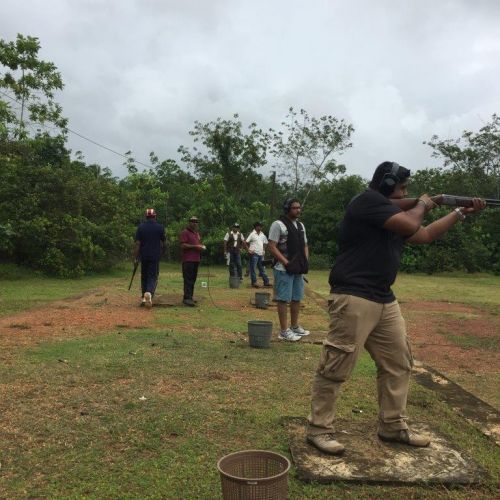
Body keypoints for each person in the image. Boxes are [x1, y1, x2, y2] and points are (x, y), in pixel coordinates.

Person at [307, 161, 486, 455]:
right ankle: (319, 429)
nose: (406, 194)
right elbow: (412, 223)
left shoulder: (393, 215)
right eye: (402, 188)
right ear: (387, 185)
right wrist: (425, 203)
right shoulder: (366, 202)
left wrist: (458, 212)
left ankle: (392, 425)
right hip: (354, 295)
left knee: (399, 362)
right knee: (336, 364)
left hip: (385, 299)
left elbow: (424, 235)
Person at [268, 199, 310, 342]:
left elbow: (305, 245)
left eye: (299, 207)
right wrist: (286, 262)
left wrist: (305, 261)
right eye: (294, 208)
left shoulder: (300, 225)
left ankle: (294, 326)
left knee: (297, 297)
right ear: (287, 209)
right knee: (283, 299)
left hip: (298, 267)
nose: (298, 210)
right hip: (283, 268)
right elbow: (272, 246)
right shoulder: (277, 224)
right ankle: (284, 331)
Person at [133, 208, 166, 308]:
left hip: (144, 256)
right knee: (153, 276)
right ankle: (149, 292)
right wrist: (162, 253)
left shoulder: (141, 227)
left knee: (144, 276)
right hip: (154, 256)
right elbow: (163, 243)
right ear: (155, 216)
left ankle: (144, 298)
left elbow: (138, 244)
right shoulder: (160, 227)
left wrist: (135, 257)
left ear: (146, 217)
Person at [179, 216, 206, 307]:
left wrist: (201, 247)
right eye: (192, 221)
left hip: (196, 259)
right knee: (188, 279)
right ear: (189, 222)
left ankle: (189, 297)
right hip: (188, 260)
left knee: (193, 279)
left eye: (196, 222)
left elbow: (197, 244)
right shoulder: (185, 232)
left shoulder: (196, 233)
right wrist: (195, 247)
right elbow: (183, 245)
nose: (194, 223)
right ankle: (187, 298)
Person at [246, 222, 272, 288]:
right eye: (259, 226)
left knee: (262, 269)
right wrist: (248, 250)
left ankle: (266, 282)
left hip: (261, 254)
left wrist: (264, 250)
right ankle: (254, 282)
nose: (261, 227)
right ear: (256, 227)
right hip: (254, 253)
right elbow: (245, 242)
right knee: (253, 269)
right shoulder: (252, 234)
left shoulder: (262, 234)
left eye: (261, 226)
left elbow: (265, 242)